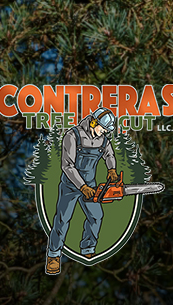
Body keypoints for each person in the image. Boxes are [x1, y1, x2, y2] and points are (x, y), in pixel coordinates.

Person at [44, 106, 118, 275]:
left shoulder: (103, 140)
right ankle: (54, 255)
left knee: (96, 216)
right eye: (103, 128)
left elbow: (109, 155)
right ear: (94, 122)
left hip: (90, 185)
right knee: (63, 219)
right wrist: (81, 186)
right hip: (71, 185)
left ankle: (88, 247)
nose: (104, 132)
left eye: (107, 130)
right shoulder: (73, 136)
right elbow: (67, 166)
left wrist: (111, 169)